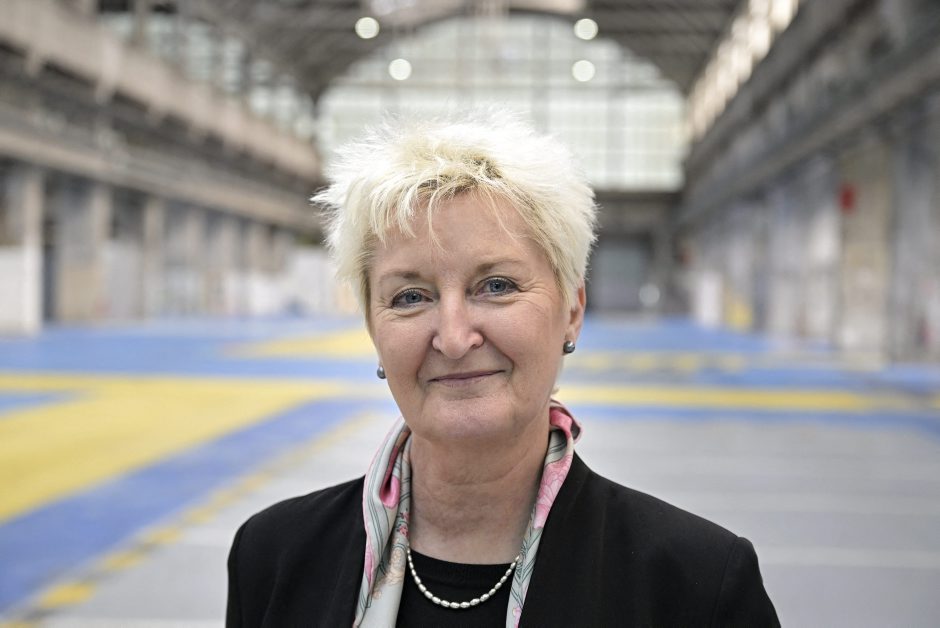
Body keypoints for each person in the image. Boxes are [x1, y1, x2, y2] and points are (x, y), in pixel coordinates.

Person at [226, 109, 779, 627]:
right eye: (410, 297)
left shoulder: (698, 586)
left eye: (496, 286)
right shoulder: (273, 556)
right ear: (374, 330)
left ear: (572, 311)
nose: (454, 338)